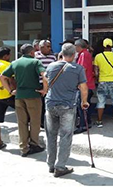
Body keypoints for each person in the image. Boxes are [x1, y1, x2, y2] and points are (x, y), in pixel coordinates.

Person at [45, 43, 89, 177]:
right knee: (65, 136)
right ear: (75, 54)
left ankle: (51, 164)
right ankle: (60, 166)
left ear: (61, 53)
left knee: (51, 135)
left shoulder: (51, 66)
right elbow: (83, 87)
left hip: (51, 103)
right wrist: (84, 102)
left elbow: (46, 82)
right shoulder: (78, 69)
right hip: (67, 106)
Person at [0, 44, 47, 157]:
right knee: (35, 121)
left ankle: (24, 148)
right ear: (31, 52)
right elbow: (44, 76)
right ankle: (34, 144)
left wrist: (10, 91)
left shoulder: (15, 63)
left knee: (22, 123)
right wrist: (45, 90)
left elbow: (2, 77)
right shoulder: (36, 62)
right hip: (33, 95)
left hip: (19, 96)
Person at [93, 38, 113, 127]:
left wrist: (98, 78)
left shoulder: (98, 56)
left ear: (103, 46)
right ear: (111, 46)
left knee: (101, 101)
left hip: (102, 81)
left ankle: (99, 121)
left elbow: (96, 71)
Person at [74, 39, 96, 134]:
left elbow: (82, 68)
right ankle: (87, 122)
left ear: (79, 46)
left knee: (81, 105)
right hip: (88, 84)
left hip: (84, 85)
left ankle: (83, 125)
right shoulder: (86, 54)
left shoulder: (84, 54)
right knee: (84, 104)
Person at [35, 40, 57, 128]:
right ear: (41, 48)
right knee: (40, 105)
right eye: (47, 46)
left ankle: (49, 122)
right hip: (39, 84)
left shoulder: (52, 57)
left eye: (50, 46)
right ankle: (41, 122)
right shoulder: (36, 57)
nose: (49, 48)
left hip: (51, 84)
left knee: (50, 104)